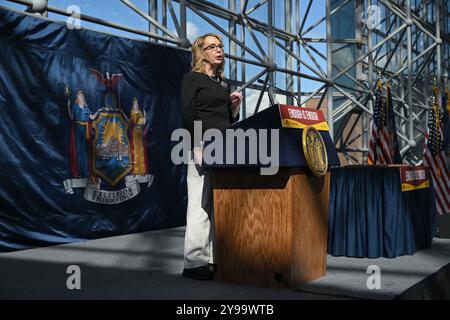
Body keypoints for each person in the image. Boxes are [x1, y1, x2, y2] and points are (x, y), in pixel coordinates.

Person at [181, 33, 242, 280]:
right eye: (212, 46)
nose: (219, 50)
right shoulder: (192, 79)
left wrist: (235, 109)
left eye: (220, 46)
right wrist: (196, 145)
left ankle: (217, 259)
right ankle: (195, 263)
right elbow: (188, 114)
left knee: (221, 205)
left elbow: (228, 120)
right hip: (202, 145)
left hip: (225, 146)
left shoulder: (222, 84)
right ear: (201, 52)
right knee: (200, 204)